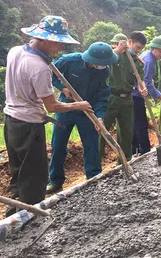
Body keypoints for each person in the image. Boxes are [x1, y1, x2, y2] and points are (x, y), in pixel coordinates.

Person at [3, 15, 93, 217]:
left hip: (11, 121)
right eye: (57, 43)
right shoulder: (39, 67)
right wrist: (78, 105)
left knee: (19, 173)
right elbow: (52, 106)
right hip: (28, 126)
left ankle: (13, 214)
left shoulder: (16, 51)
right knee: (35, 177)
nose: (60, 48)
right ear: (43, 39)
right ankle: (31, 217)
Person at [46, 42, 117, 194]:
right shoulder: (69, 61)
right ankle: (56, 180)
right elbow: (49, 73)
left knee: (91, 146)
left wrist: (99, 116)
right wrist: (62, 87)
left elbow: (102, 96)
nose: (103, 66)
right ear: (93, 59)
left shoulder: (104, 72)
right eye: (101, 63)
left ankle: (94, 177)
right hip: (66, 109)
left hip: (87, 111)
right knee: (58, 145)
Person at [99, 31, 148, 165]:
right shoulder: (115, 56)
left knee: (126, 134)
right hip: (111, 98)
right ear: (129, 42)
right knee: (101, 132)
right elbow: (100, 61)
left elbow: (140, 81)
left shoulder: (138, 63)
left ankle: (124, 163)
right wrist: (118, 49)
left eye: (142, 49)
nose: (139, 51)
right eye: (137, 47)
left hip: (127, 99)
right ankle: (95, 166)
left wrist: (142, 88)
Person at [132, 37, 161, 156]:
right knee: (141, 123)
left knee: (135, 123)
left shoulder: (148, 56)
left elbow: (147, 80)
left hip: (135, 93)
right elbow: (147, 84)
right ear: (153, 49)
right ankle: (145, 151)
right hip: (136, 95)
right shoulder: (149, 61)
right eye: (160, 51)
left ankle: (134, 150)